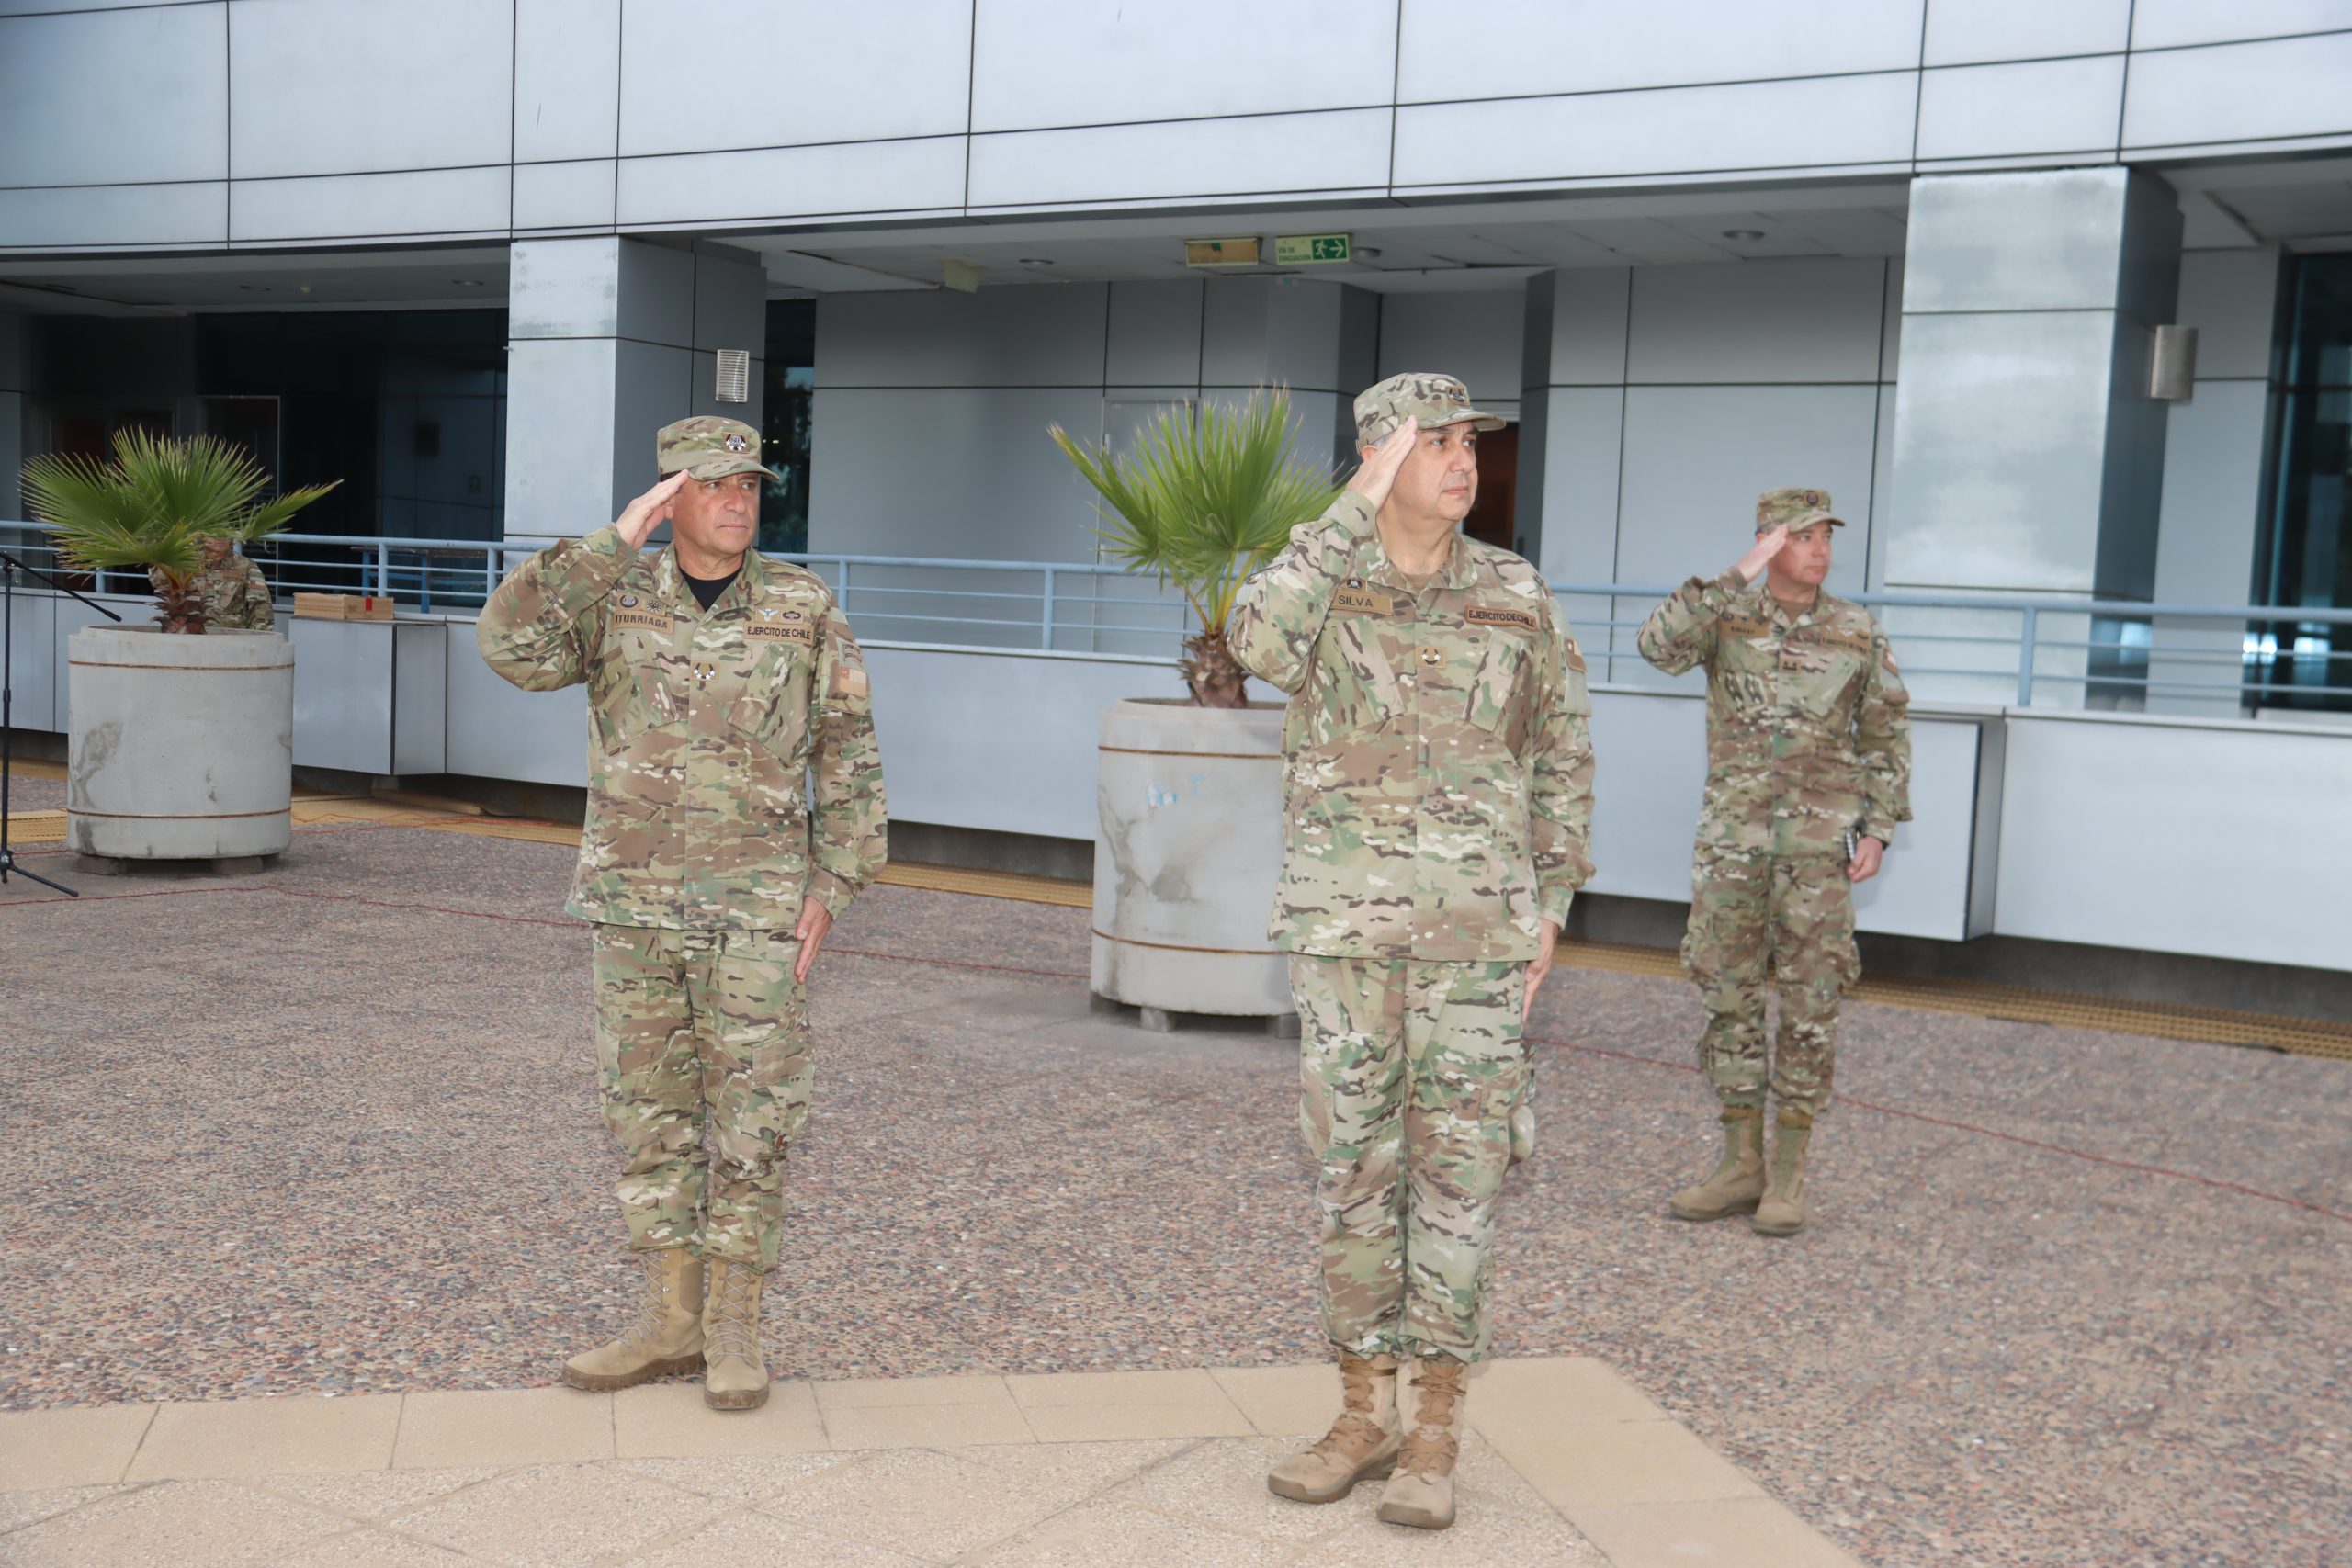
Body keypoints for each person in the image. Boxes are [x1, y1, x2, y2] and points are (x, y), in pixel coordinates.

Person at [1229, 373, 1596, 1531]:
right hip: (1346, 934)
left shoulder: (1513, 592)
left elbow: (1561, 750)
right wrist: (1348, 508)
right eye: (1435, 442)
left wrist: (1551, 902)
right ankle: (1361, 1413)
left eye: (1469, 440)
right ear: (1382, 458)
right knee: (1351, 1174)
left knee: (1460, 1179)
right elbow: (1253, 641)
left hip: (1478, 939)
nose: (1464, 459)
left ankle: (1434, 1429)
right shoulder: (1323, 585)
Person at [478, 415, 886, 1411]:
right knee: (648, 1117)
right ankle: (669, 1321)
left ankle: (734, 1327)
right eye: (714, 486)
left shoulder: (801, 605)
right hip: (635, 906)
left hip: (757, 908)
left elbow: (849, 750)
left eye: (749, 486)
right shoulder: (613, 594)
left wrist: (833, 884)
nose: (738, 502)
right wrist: (610, 542)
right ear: (670, 498)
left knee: (755, 1119)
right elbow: (507, 645)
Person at [1635, 488, 1910, 1237]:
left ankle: (1788, 1170)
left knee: (1812, 1003)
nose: (1820, 550)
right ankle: (1740, 1162)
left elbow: (1885, 733)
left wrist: (1880, 827)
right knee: (1728, 996)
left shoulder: (1855, 629)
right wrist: (1736, 573)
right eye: (1803, 536)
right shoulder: (1727, 617)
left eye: (1826, 537)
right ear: (1769, 542)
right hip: (1734, 846)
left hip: (1818, 853)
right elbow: (1656, 646)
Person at [154, 536, 275, 631]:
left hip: (231, 639)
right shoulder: (186, 563)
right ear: (202, 537)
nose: (220, 538)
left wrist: (257, 641)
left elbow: (261, 607)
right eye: (214, 533)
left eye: (225, 534)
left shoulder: (247, 567)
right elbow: (160, 584)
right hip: (188, 636)